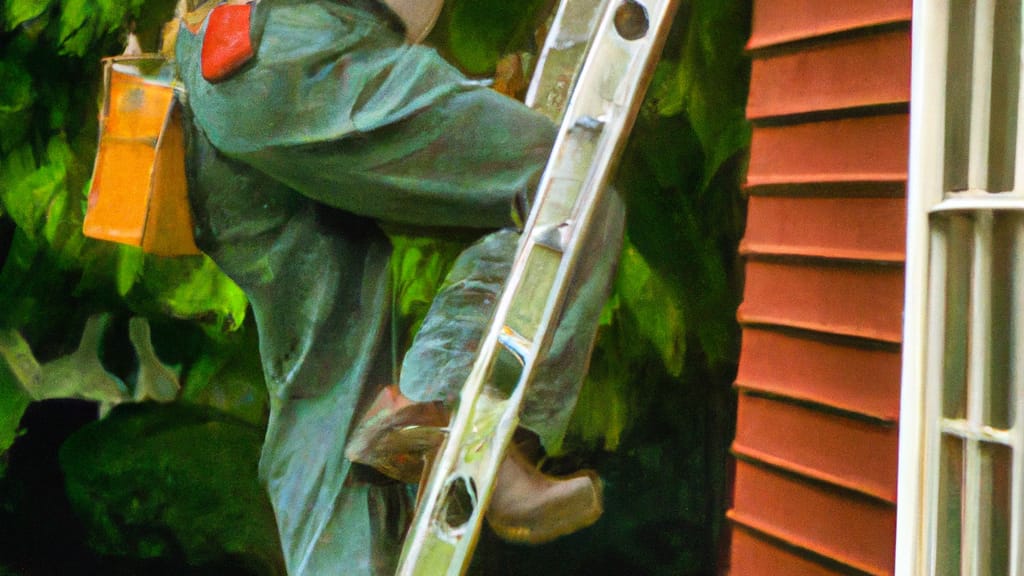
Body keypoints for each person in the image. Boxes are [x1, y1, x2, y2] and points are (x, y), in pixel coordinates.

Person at [173, 0, 622, 573]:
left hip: (221, 71)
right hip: (308, 53)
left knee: (328, 382)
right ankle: (453, 417)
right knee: (571, 188)